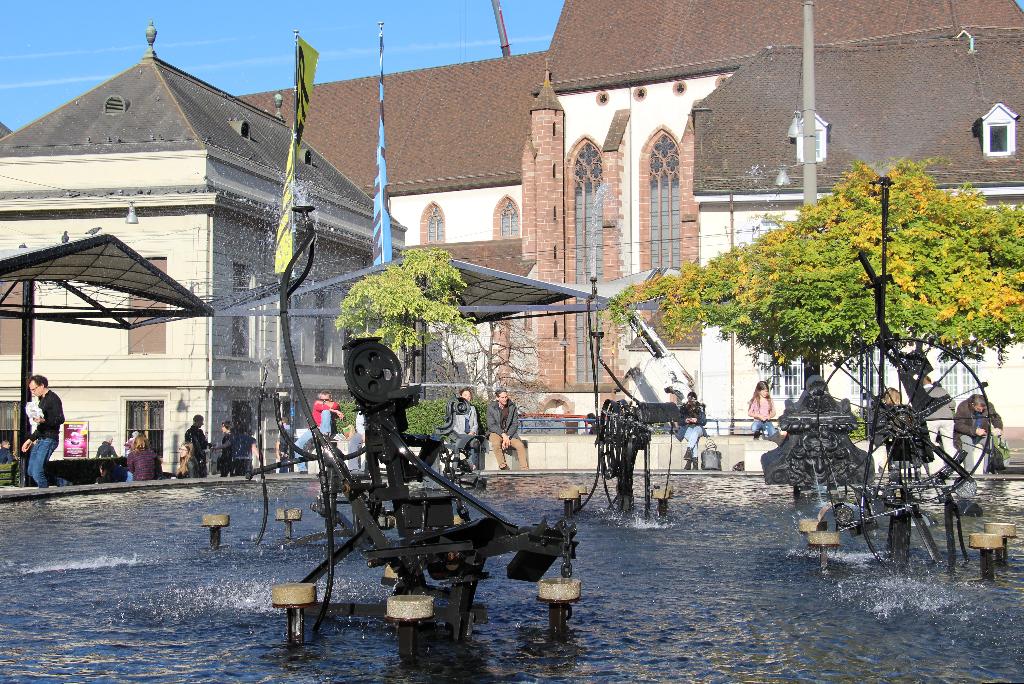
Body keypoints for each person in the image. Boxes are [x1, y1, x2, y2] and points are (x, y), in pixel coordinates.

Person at [20, 374, 65, 489]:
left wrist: (44, 420)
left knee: (37, 472)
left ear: (42, 386)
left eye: (34, 389)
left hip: (49, 439)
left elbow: (60, 419)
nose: (32, 392)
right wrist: (30, 440)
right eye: (31, 390)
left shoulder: (53, 398)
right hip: (40, 439)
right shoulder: (41, 400)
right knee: (30, 471)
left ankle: (43, 499)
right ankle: (62, 483)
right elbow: (40, 426)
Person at [954, 394, 1003, 474]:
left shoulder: (989, 406)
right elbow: (958, 425)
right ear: (972, 405)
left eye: (983, 409)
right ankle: (969, 472)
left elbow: (996, 418)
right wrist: (974, 431)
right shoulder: (963, 406)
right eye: (978, 409)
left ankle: (987, 471)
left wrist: (998, 428)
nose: (981, 411)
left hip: (982, 434)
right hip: (966, 434)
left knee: (990, 443)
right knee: (967, 443)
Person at [486, 389, 529, 470]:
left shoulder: (512, 407)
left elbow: (514, 424)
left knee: (520, 445)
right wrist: (503, 435)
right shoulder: (491, 407)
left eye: (506, 397)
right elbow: (491, 425)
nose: (505, 399)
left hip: (509, 433)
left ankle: (524, 468)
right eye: (502, 397)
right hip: (496, 432)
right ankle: (503, 465)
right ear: (497, 398)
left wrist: (508, 436)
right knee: (495, 444)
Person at [452, 387, 481, 469]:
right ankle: (470, 464)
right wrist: (464, 435)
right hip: (459, 434)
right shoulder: (455, 408)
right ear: (461, 396)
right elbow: (453, 425)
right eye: (465, 395)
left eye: (469, 396)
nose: (467, 397)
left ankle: (472, 464)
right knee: (462, 443)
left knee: (475, 443)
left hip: (470, 434)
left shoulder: (472, 408)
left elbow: (475, 424)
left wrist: (472, 432)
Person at [677, 391, 707, 470]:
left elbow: (704, 422)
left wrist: (696, 420)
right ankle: (695, 464)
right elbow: (679, 421)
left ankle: (689, 458)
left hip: (698, 427)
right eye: (690, 399)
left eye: (693, 399)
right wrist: (685, 420)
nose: (691, 401)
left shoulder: (700, 407)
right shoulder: (683, 408)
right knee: (693, 439)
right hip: (687, 428)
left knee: (695, 432)